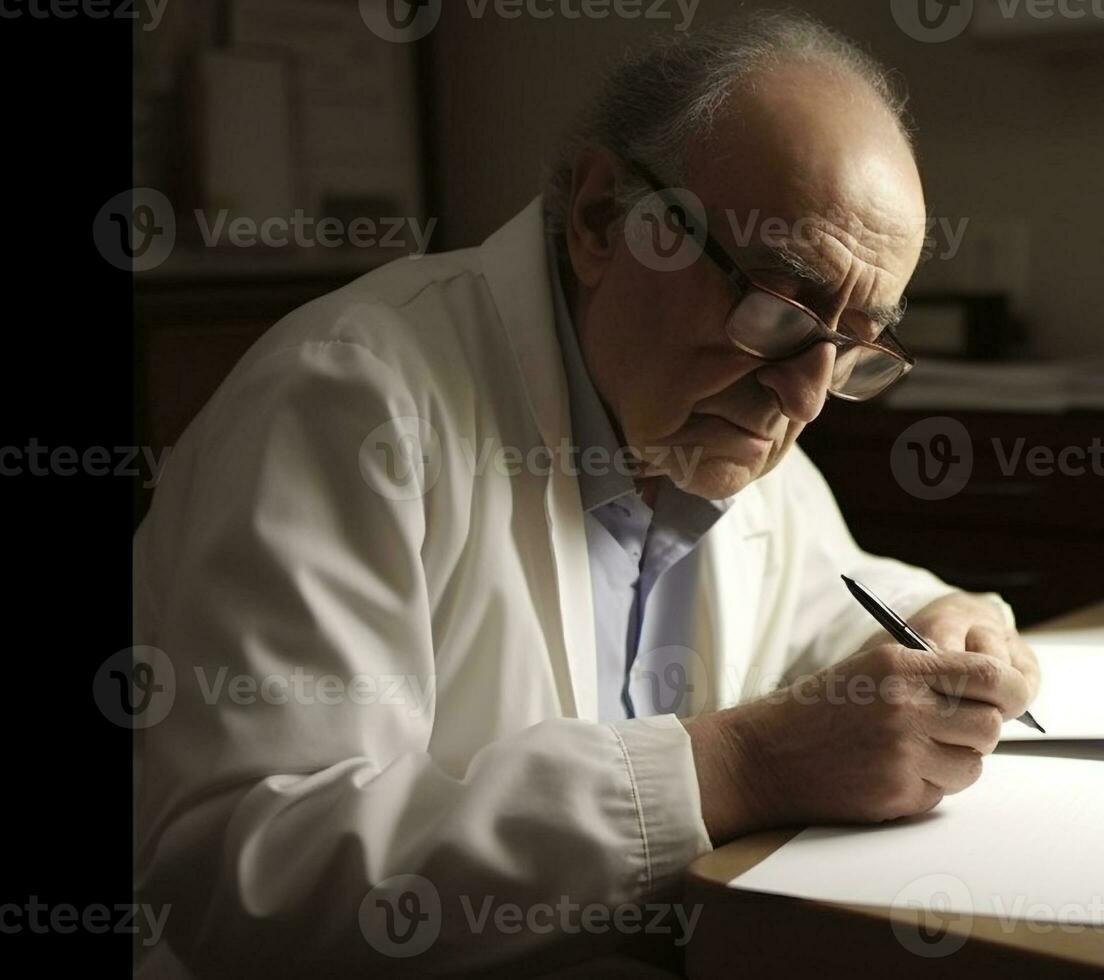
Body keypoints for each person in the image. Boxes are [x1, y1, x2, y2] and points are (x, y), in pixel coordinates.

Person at [132, 11, 1039, 976]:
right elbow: (246, 880)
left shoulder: (726, 420)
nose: (809, 396)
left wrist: (942, 621)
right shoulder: (349, 403)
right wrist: (740, 767)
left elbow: (829, 596)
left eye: (857, 346)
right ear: (606, 216)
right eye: (776, 304)